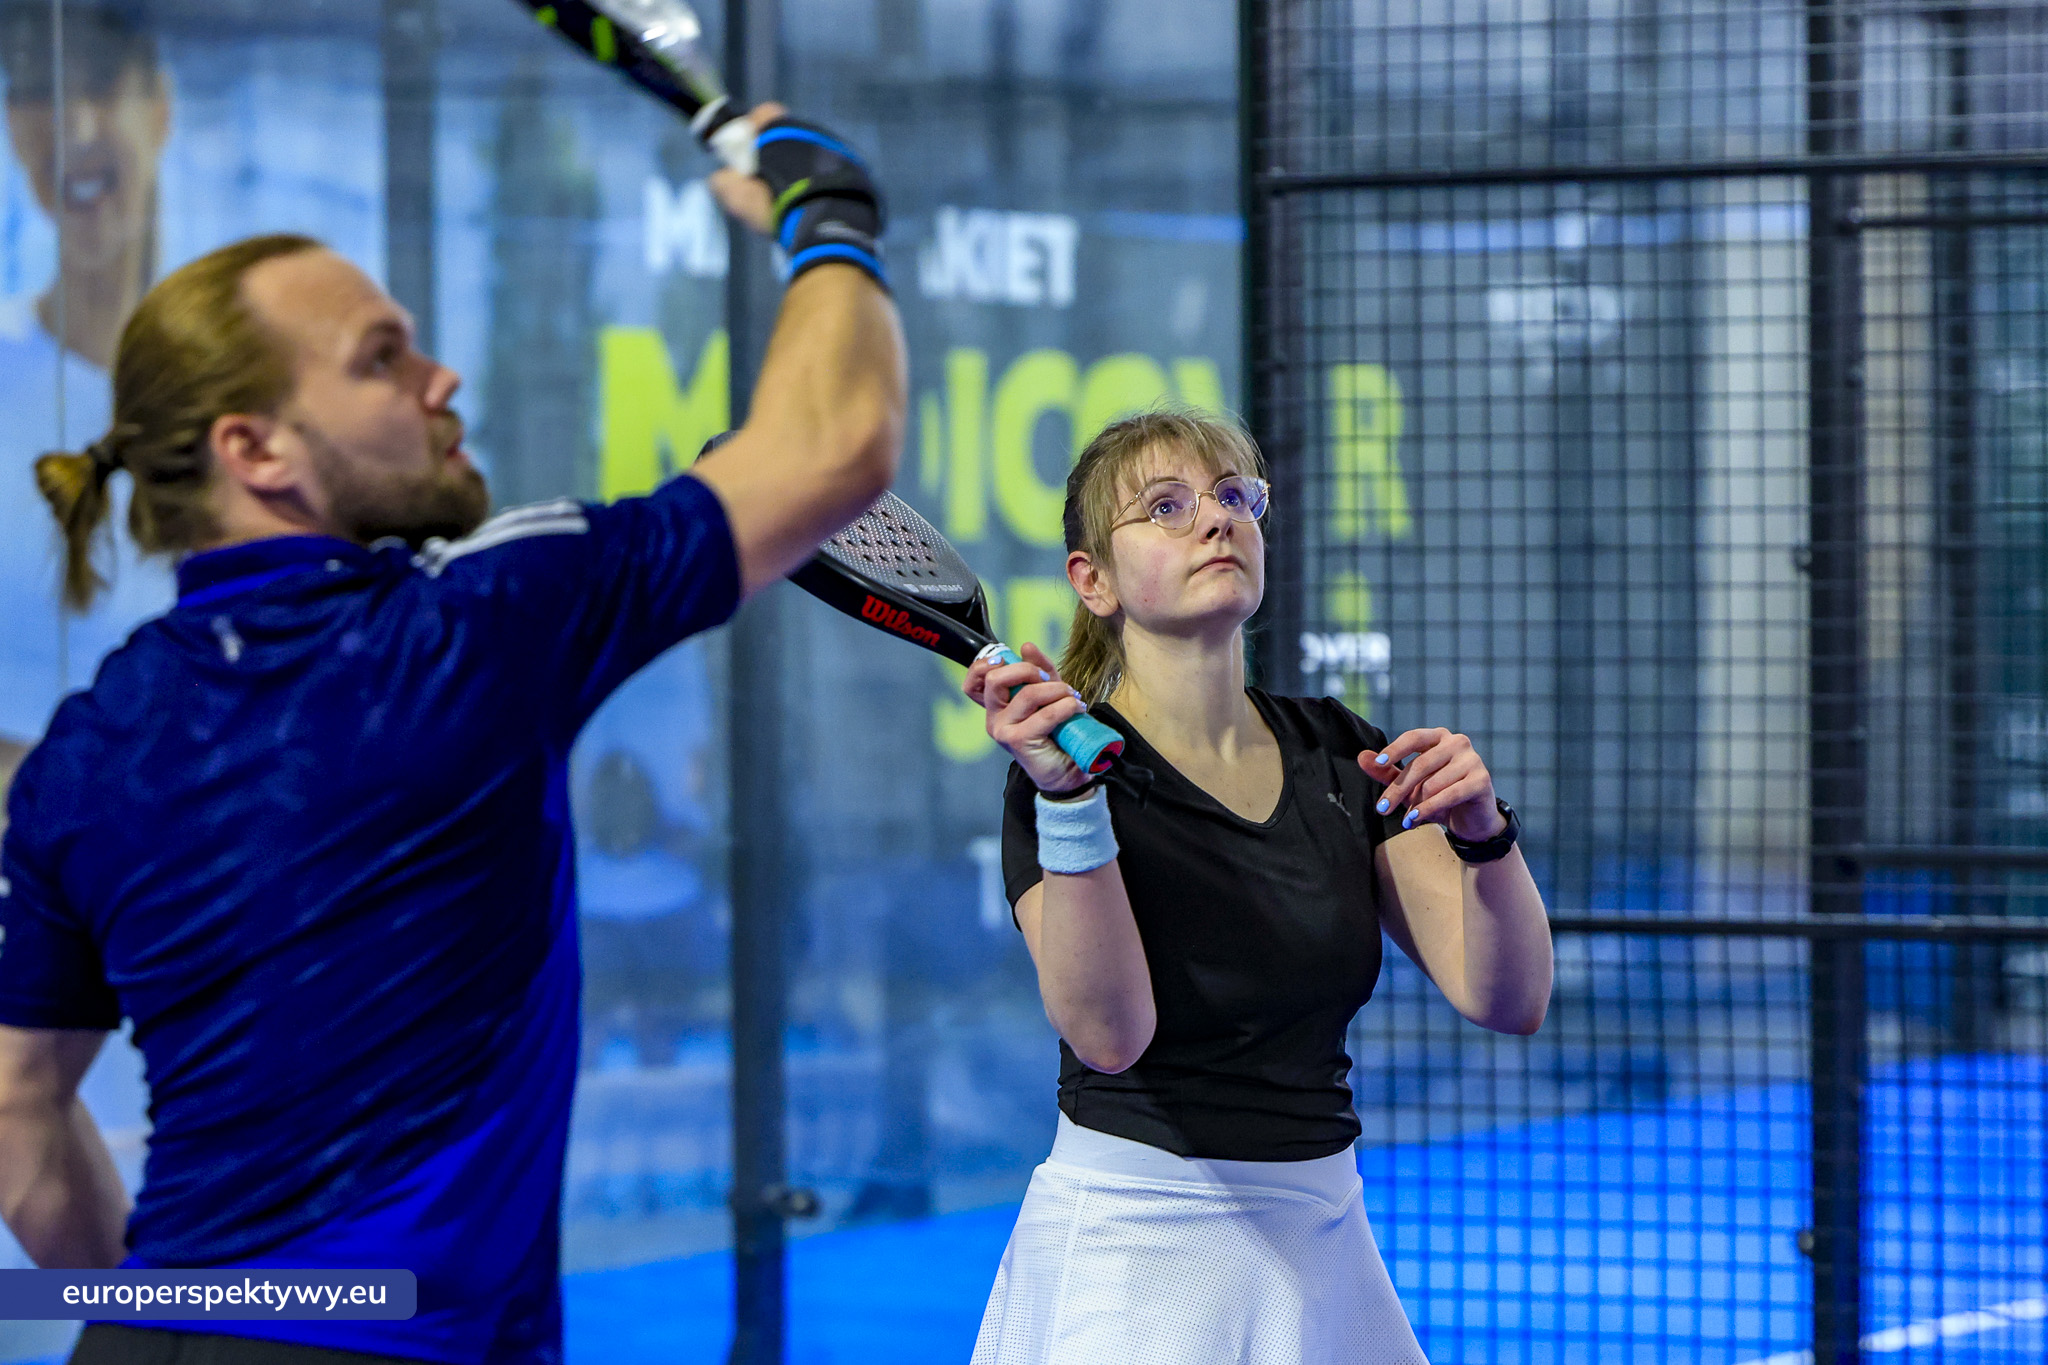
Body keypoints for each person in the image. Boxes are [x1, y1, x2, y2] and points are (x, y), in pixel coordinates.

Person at [0, 100, 902, 1365]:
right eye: (381, 359)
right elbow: (832, 445)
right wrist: (831, 214)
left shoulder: (82, 752)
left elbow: (20, 1108)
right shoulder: (478, 625)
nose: (442, 381)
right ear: (252, 448)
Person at [961, 409, 1553, 1365]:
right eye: (1167, 505)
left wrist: (1487, 834)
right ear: (1093, 581)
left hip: (1325, 1233)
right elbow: (1110, 1038)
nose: (1218, 520)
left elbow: (1510, 997)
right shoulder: (1061, 783)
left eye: (1238, 497)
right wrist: (1068, 796)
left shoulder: (1335, 747)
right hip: (1136, 1242)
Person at [0, 1, 178, 767]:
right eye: (38, 89)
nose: (72, 127)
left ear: (160, 109)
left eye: (101, 82)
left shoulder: (250, 383)